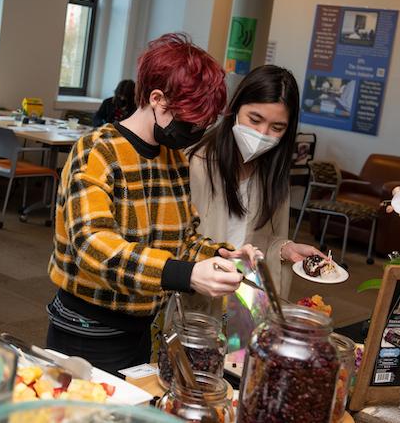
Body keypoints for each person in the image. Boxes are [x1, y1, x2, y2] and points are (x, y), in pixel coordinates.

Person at [46, 33, 254, 375]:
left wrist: (220, 256)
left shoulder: (173, 159)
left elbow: (182, 239)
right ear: (157, 99)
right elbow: (95, 246)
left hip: (140, 327)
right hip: (86, 330)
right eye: (191, 122)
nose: (196, 131)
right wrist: (186, 275)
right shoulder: (96, 151)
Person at [188, 65, 328, 301]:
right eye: (255, 119)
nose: (263, 133)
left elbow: (263, 241)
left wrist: (285, 249)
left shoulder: (273, 174)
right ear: (234, 110)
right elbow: (175, 241)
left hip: (243, 303)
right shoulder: (197, 163)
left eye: (277, 127)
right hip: (198, 299)